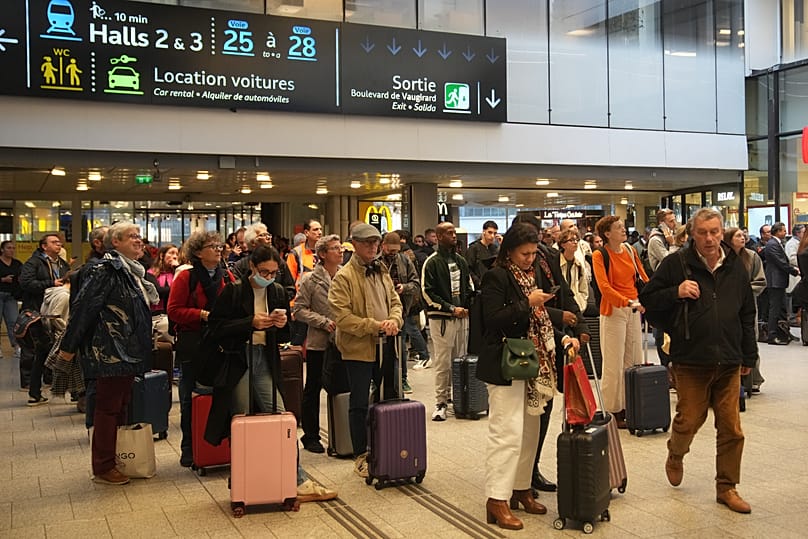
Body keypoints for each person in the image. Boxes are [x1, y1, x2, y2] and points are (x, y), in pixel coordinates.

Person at [640, 208, 757, 514]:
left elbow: (747, 313)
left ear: (723, 233)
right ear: (692, 233)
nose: (709, 238)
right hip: (691, 358)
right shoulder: (676, 264)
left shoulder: (735, 265)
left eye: (715, 232)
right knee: (690, 419)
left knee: (732, 427)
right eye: (703, 232)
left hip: (729, 359)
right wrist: (675, 292)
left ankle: (727, 487)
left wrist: (749, 355)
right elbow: (649, 302)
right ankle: (676, 453)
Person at [202, 245, 337, 502]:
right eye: (264, 271)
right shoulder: (234, 290)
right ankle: (246, 478)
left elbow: (284, 336)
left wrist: (282, 324)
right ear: (252, 267)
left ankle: (295, 479)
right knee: (241, 422)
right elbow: (215, 328)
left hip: (265, 358)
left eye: (274, 273)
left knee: (281, 417)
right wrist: (249, 323)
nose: (270, 277)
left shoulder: (275, 291)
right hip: (238, 359)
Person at [477, 222, 580, 531]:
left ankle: (521, 488)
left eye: (534, 254)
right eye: (524, 253)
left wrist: (562, 337)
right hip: (504, 363)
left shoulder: (530, 275)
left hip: (532, 364)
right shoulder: (497, 276)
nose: (530, 259)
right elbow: (492, 321)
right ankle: (497, 499)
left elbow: (539, 320)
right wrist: (528, 303)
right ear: (509, 251)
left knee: (529, 432)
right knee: (506, 432)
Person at [58, 222, 158, 485]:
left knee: (120, 406)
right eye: (132, 237)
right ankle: (103, 466)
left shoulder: (132, 271)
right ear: (116, 242)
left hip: (128, 350)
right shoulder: (106, 270)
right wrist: (68, 349)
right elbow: (83, 309)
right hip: (111, 350)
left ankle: (116, 459)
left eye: (140, 236)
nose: (139, 241)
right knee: (108, 409)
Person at [328, 223, 403, 479]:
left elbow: (395, 301)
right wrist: (374, 326)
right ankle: (361, 454)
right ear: (355, 245)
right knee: (359, 403)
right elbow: (343, 317)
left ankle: (387, 449)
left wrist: (395, 320)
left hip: (386, 346)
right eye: (367, 243)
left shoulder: (381, 269)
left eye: (375, 242)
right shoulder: (344, 277)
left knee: (388, 399)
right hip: (358, 350)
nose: (373, 247)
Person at [167, 231, 234, 468]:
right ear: (197, 252)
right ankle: (189, 447)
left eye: (219, 245)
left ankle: (217, 446)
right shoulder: (187, 277)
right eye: (211, 246)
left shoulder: (227, 275)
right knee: (189, 398)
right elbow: (173, 310)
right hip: (193, 345)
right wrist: (202, 315)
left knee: (222, 397)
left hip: (220, 344)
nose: (218, 249)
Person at [591, 215, 648, 429]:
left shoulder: (631, 251)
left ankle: (629, 404)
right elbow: (604, 287)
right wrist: (626, 302)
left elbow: (642, 277)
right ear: (607, 233)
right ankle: (611, 410)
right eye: (618, 227)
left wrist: (649, 297)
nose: (623, 230)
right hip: (614, 309)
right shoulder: (600, 255)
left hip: (633, 308)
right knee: (613, 363)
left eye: (623, 227)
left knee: (633, 359)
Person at [293, 234, 343, 453]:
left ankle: (342, 434)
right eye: (335, 248)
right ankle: (311, 435)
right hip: (318, 343)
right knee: (313, 387)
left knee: (340, 387)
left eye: (340, 248)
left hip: (343, 342)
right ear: (322, 254)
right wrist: (322, 322)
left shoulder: (345, 276)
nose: (340, 251)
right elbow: (298, 310)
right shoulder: (310, 280)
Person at [421, 221, 473, 422]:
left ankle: (458, 400)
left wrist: (467, 305)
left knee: (460, 360)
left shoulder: (460, 260)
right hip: (442, 320)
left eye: (454, 232)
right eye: (449, 233)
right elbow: (427, 292)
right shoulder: (432, 262)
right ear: (439, 236)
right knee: (443, 362)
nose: (454, 236)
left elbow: (468, 285)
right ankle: (440, 402)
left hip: (462, 318)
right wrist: (450, 308)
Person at [19, 234, 70, 404]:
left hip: (57, 313)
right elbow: (25, 283)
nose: (59, 245)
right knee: (39, 352)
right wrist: (50, 283)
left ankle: (44, 388)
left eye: (59, 242)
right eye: (54, 242)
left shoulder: (62, 264)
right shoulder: (34, 262)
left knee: (55, 351)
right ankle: (33, 389)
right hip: (38, 313)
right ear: (43, 246)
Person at [380, 231, 425, 394]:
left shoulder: (404, 260)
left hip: (401, 311)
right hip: (379, 311)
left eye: (396, 250)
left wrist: (403, 288)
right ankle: (377, 380)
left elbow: (416, 283)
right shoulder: (375, 262)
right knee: (378, 348)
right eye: (390, 250)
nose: (393, 254)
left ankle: (403, 379)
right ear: (383, 246)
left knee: (401, 348)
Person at [725, 227, 767, 391]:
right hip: (726, 306)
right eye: (738, 236)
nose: (742, 238)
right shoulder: (722, 257)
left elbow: (760, 281)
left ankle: (753, 379)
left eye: (743, 236)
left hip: (748, 305)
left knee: (750, 340)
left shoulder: (752, 256)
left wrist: (742, 291)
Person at [287, 219, 323, 345]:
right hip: (302, 304)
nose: (319, 232)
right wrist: (292, 307)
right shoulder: (296, 253)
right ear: (306, 232)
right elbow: (289, 282)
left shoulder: (325, 252)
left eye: (320, 229)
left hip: (321, 305)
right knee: (298, 340)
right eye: (315, 229)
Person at [763, 222, 799, 345]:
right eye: (783, 230)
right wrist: (794, 271)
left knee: (782, 309)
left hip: (779, 281)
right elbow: (781, 262)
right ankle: (771, 335)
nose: (785, 232)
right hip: (775, 281)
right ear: (777, 231)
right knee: (775, 309)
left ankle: (784, 332)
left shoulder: (777, 243)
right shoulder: (772, 244)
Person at [558, 229, 589, 313]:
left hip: (576, 306)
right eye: (571, 240)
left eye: (576, 240)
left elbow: (584, 289)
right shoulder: (556, 263)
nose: (575, 242)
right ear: (563, 245)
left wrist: (581, 305)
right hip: (560, 308)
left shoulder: (578, 265)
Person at [0, 240, 22, 359]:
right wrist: (3, 280)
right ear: (2, 249)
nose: (11, 250)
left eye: (13, 248)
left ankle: (16, 347)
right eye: (8, 248)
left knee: (13, 322)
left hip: (11, 296)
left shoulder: (17, 263)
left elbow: (22, 276)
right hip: (0, 293)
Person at [466, 220, 500, 288]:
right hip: (479, 286)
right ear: (484, 232)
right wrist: (477, 282)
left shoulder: (495, 248)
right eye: (490, 232)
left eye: (495, 233)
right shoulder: (474, 248)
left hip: (493, 285)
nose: (492, 236)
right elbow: (468, 269)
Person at [148, 244, 178, 314]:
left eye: (177, 254)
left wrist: (177, 268)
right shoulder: (151, 273)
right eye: (171, 253)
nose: (175, 257)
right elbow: (158, 291)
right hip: (157, 313)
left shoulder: (176, 273)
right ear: (162, 256)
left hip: (174, 312)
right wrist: (178, 288)